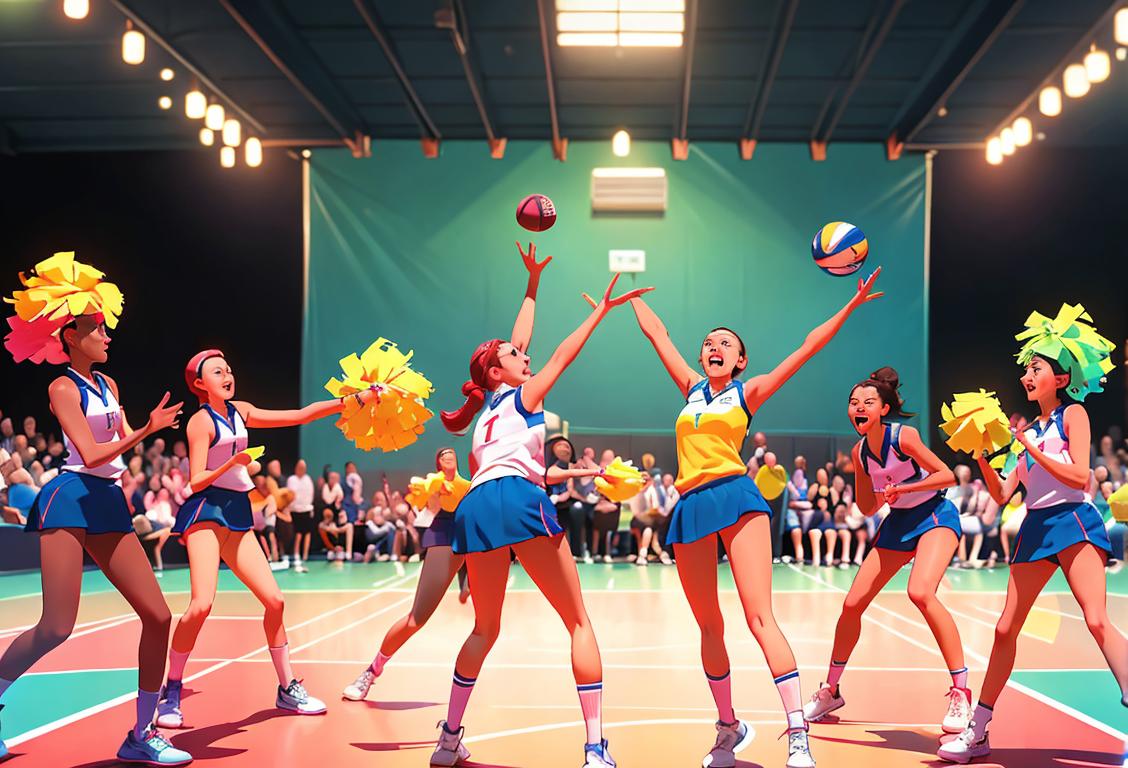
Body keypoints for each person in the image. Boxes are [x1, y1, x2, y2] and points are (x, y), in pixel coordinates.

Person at [617, 269, 883, 768]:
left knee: (760, 618)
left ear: (739, 360)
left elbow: (806, 349)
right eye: (708, 343)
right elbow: (658, 335)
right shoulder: (690, 388)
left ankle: (798, 733)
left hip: (736, 497)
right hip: (691, 505)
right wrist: (630, 295)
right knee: (708, 626)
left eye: (726, 344)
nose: (714, 347)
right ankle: (728, 727)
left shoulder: (747, 391)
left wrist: (851, 305)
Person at [429, 242, 648, 768]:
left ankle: (448, 740)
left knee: (484, 628)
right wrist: (599, 310)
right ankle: (595, 747)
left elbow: (521, 340)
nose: (523, 353)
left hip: (478, 505)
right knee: (578, 623)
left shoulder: (487, 415)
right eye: (512, 354)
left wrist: (532, 283)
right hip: (517, 499)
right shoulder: (524, 397)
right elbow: (559, 355)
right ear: (497, 372)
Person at [0, 252, 189, 765]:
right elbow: (89, 452)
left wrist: (150, 429)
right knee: (57, 626)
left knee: (158, 613)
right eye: (96, 328)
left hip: (108, 501)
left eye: (106, 328)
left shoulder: (108, 385)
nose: (106, 336)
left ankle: (141, 735)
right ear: (69, 335)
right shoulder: (61, 387)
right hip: (69, 499)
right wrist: (146, 430)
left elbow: (122, 442)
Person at [939, 306, 1128, 763]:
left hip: (1073, 521)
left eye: (1037, 367)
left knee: (1097, 619)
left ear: (1059, 379)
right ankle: (979, 731)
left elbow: (1080, 474)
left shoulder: (1073, 416)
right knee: (1005, 627)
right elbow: (1002, 494)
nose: (1027, 373)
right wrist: (985, 453)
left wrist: (1027, 447)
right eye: (1026, 367)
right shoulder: (1028, 432)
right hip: (1035, 527)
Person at [155, 349, 379, 730]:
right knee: (201, 605)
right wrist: (232, 464)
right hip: (206, 512)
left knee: (275, 600)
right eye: (217, 371)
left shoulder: (240, 411)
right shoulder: (199, 423)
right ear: (198, 384)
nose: (227, 375)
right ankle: (171, 689)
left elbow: (301, 414)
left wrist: (353, 400)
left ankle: (287, 687)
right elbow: (194, 481)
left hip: (238, 511)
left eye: (229, 368)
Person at [804, 367, 970, 736]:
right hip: (897, 523)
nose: (858, 407)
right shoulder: (859, 451)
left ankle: (961, 692)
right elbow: (867, 507)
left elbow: (946, 475)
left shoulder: (904, 436)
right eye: (852, 403)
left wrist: (904, 490)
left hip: (934, 515)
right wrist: (870, 489)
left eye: (867, 402)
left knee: (920, 592)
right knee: (851, 605)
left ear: (883, 408)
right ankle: (830, 690)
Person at [343, 447, 477, 700]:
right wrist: (434, 492)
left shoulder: (471, 484)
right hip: (443, 536)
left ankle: (467, 585)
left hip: (472, 536)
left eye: (451, 453)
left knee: (488, 622)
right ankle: (372, 671)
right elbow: (429, 505)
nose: (448, 455)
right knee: (417, 618)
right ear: (437, 461)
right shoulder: (431, 483)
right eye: (443, 454)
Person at [286, 459, 316, 572]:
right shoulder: (291, 479)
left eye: (303, 468)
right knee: (298, 534)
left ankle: (305, 555)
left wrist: (308, 506)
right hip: (295, 511)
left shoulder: (308, 479)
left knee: (307, 533)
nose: (301, 470)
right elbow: (290, 494)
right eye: (300, 467)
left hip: (306, 510)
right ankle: (296, 554)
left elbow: (310, 494)